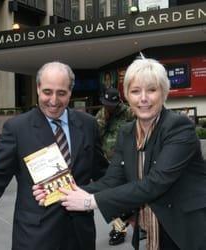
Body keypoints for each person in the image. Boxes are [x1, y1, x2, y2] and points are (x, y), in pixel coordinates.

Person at [34, 57, 206, 250]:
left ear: (163, 93)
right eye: (135, 91)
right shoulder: (127, 132)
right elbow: (111, 180)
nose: (143, 98)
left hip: (185, 231)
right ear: (126, 95)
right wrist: (59, 192)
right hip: (151, 232)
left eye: (151, 90)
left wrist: (90, 201)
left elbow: (154, 184)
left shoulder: (178, 127)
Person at [0, 62, 108, 250]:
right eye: (47, 92)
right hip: (35, 237)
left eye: (61, 93)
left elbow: (103, 173)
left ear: (70, 92)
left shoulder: (88, 124)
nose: (53, 100)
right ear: (38, 88)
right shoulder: (17, 128)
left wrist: (125, 210)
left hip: (80, 236)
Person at [95, 87, 132, 245]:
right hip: (106, 165)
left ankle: (120, 229)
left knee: (123, 199)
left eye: (111, 104)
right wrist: (105, 118)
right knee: (110, 200)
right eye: (106, 103)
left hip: (126, 163)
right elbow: (96, 136)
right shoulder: (101, 115)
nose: (108, 106)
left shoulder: (129, 113)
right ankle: (121, 225)